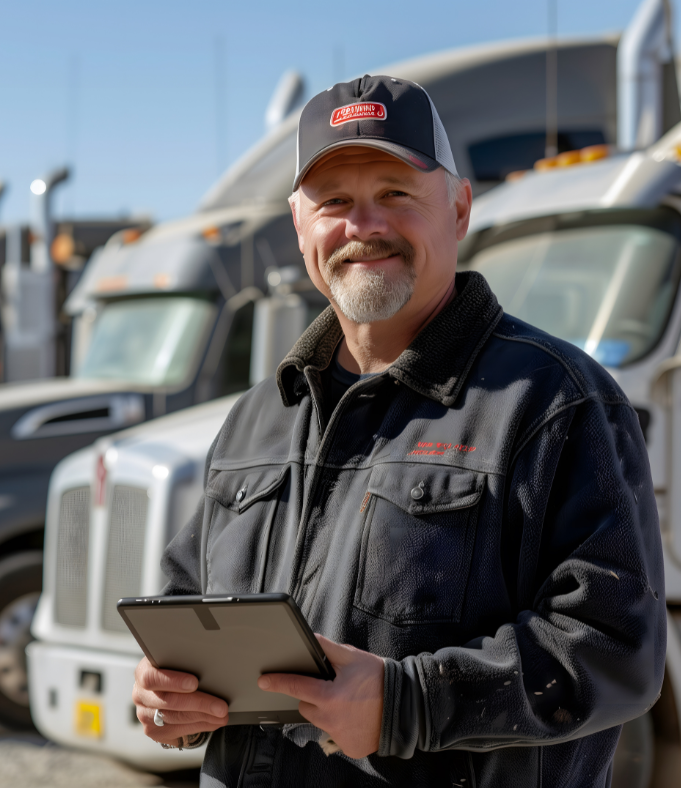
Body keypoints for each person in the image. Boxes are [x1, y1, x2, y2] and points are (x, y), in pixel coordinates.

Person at [133, 75, 666, 787]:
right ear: (300, 226)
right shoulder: (259, 416)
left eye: (395, 194)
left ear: (459, 207)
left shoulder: (553, 401)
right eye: (335, 202)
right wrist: (165, 694)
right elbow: (184, 607)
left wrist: (404, 703)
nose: (363, 226)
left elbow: (616, 652)